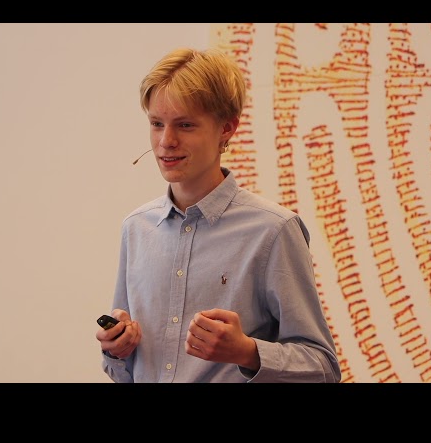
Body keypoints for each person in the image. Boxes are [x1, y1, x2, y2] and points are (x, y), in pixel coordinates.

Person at [96, 47, 341, 383]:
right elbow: (123, 372)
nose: (166, 141)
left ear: (227, 128)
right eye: (156, 124)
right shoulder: (136, 228)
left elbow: (323, 367)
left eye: (185, 125)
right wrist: (116, 349)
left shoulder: (273, 230)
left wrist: (247, 352)